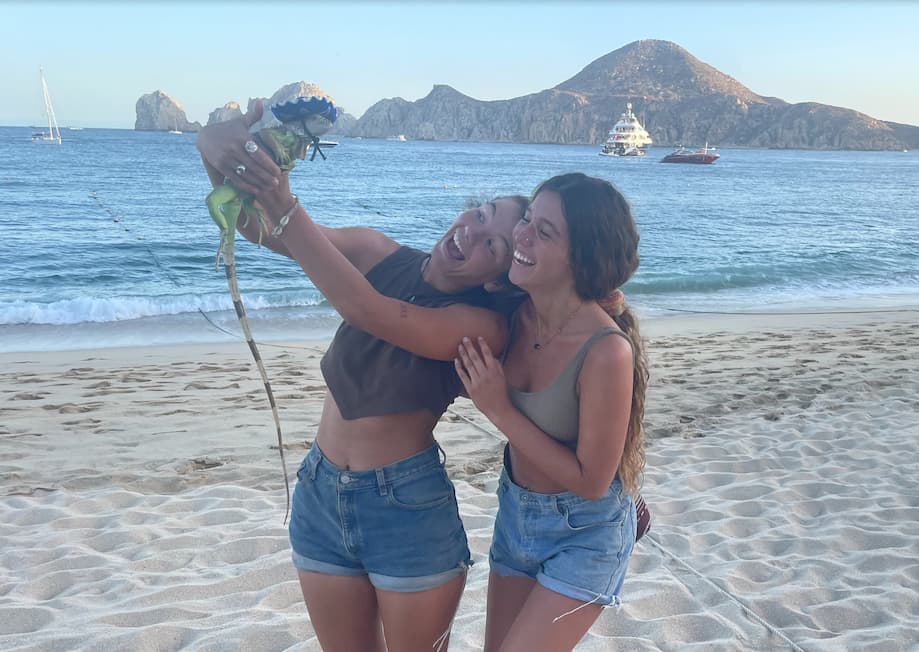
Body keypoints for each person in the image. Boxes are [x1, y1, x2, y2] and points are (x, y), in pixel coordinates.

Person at [197, 103, 528, 652]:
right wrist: (220, 151)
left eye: (492, 244)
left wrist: (286, 201)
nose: (470, 232)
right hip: (319, 493)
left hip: (404, 509)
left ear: (498, 279)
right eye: (481, 213)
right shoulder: (379, 251)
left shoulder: (483, 325)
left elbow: (368, 310)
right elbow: (262, 230)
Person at [455, 173, 648, 651]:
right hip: (515, 515)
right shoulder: (510, 311)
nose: (523, 235)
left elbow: (590, 481)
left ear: (581, 257)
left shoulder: (606, 351)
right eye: (527, 219)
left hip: (585, 531)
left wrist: (498, 409)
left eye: (545, 232)